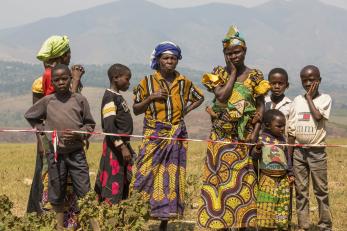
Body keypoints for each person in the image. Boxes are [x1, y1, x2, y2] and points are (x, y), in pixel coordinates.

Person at [197, 25, 271, 230]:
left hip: (243, 138)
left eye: (237, 52)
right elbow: (221, 96)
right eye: (229, 53)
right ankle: (219, 223)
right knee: (218, 181)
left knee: (244, 181)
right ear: (224, 54)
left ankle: (242, 223)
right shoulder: (218, 73)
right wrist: (232, 74)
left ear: (245, 51)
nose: (233, 56)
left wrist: (255, 133)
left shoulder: (255, 75)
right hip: (220, 137)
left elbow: (260, 104)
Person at [131, 41, 204, 230]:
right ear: (158, 60)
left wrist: (184, 111)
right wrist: (151, 98)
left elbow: (200, 97)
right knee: (145, 173)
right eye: (165, 58)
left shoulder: (184, 82)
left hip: (176, 133)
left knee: (171, 176)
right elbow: (136, 109)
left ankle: (164, 221)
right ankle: (134, 214)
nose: (169, 61)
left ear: (177, 60)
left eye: (173, 58)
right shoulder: (147, 82)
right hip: (154, 135)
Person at [24, 64, 99, 231]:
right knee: (56, 189)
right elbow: (30, 115)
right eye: (56, 80)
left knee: (84, 190)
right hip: (55, 154)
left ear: (70, 79)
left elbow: (89, 124)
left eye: (64, 78)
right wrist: (40, 127)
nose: (61, 82)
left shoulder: (79, 100)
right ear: (53, 82)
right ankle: (59, 227)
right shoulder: (47, 101)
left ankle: (94, 226)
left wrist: (79, 134)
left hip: (76, 153)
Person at [27, 36, 85, 229]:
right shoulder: (47, 80)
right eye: (67, 52)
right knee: (53, 179)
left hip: (70, 140)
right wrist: (40, 140)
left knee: (69, 179)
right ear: (62, 55)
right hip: (52, 141)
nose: (70, 56)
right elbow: (63, 102)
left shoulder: (62, 75)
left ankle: (68, 221)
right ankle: (53, 220)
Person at [288, 65, 332, 231]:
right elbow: (291, 131)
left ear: (319, 80)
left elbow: (318, 116)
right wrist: (290, 158)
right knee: (301, 191)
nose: (308, 83)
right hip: (299, 151)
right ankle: (303, 225)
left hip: (317, 151)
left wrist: (309, 98)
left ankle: (325, 225)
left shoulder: (325, 99)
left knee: (321, 190)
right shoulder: (296, 101)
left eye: (312, 80)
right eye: (304, 80)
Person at [94, 64, 135, 204]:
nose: (129, 83)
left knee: (121, 179)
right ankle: (109, 215)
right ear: (116, 78)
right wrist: (122, 146)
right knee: (113, 180)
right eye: (127, 79)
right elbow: (109, 126)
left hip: (121, 146)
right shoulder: (110, 97)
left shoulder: (117, 97)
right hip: (115, 147)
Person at [251, 109, 294, 230]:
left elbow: (287, 158)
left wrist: (290, 173)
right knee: (266, 206)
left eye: (283, 126)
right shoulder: (261, 138)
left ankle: (280, 227)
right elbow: (254, 156)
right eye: (279, 126)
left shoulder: (283, 140)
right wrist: (258, 148)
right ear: (268, 125)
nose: (282, 129)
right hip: (267, 179)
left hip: (283, 180)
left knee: (282, 207)